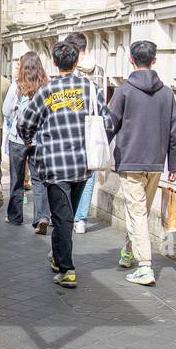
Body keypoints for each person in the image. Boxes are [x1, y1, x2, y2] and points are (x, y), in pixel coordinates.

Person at [15, 40, 111, 289]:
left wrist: (30, 140)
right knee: (65, 216)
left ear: (54, 62)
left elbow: (24, 123)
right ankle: (59, 259)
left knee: (62, 218)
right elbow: (108, 123)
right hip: (82, 165)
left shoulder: (47, 91)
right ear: (76, 61)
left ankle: (67, 269)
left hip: (55, 164)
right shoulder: (90, 89)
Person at [107, 40, 176, 286]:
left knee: (137, 213)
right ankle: (129, 252)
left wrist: (96, 153)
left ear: (130, 59)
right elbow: (174, 131)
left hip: (130, 161)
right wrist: (173, 165)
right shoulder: (167, 93)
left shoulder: (123, 91)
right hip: (156, 162)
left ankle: (145, 266)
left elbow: (110, 125)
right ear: (154, 60)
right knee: (141, 212)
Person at [3, 51, 51, 234]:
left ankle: (15, 216)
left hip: (18, 138)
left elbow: (6, 111)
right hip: (39, 140)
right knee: (39, 179)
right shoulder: (46, 87)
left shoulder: (17, 86)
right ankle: (42, 217)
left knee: (17, 177)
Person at [64, 32, 106, 235]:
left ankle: (68, 214)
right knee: (89, 174)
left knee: (69, 173)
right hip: (91, 131)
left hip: (70, 129)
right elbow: (103, 104)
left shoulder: (70, 69)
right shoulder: (99, 70)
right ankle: (80, 219)